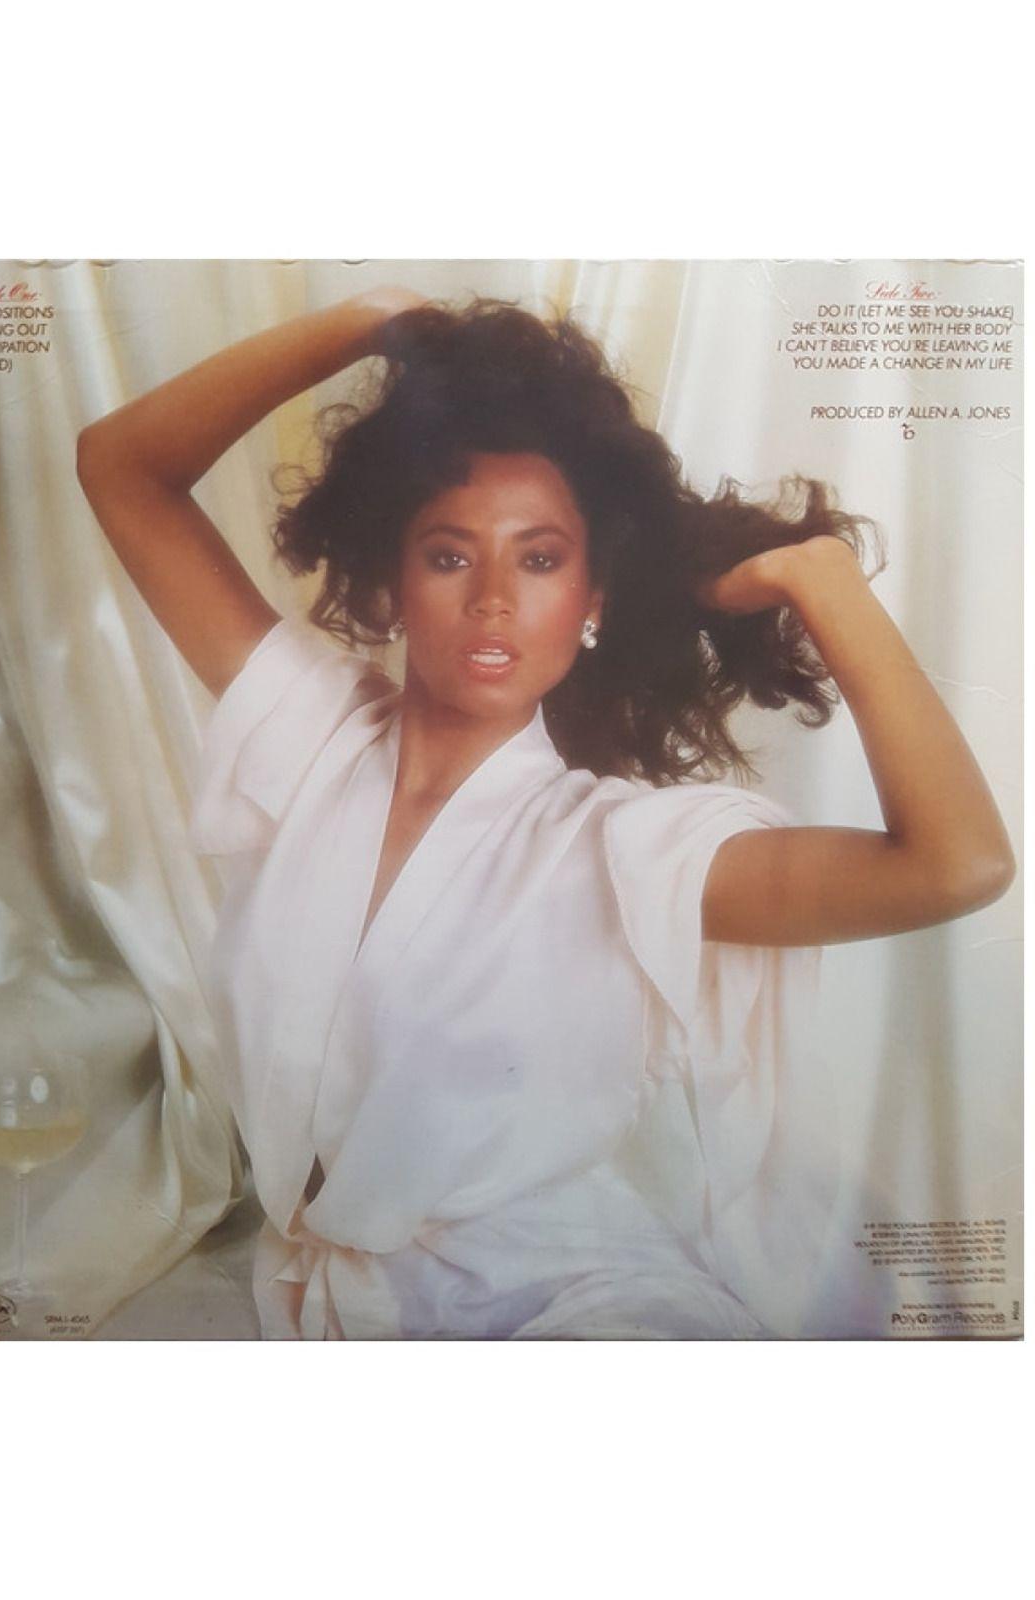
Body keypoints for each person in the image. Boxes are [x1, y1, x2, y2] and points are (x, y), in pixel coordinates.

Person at [76, 286, 1014, 1339]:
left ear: (592, 599)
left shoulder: (625, 849)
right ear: (392, 579)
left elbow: (959, 864)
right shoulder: (312, 740)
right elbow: (120, 465)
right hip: (320, 1299)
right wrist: (371, 320)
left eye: (539, 558)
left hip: (570, 1307)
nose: (492, 597)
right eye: (448, 554)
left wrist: (823, 580)